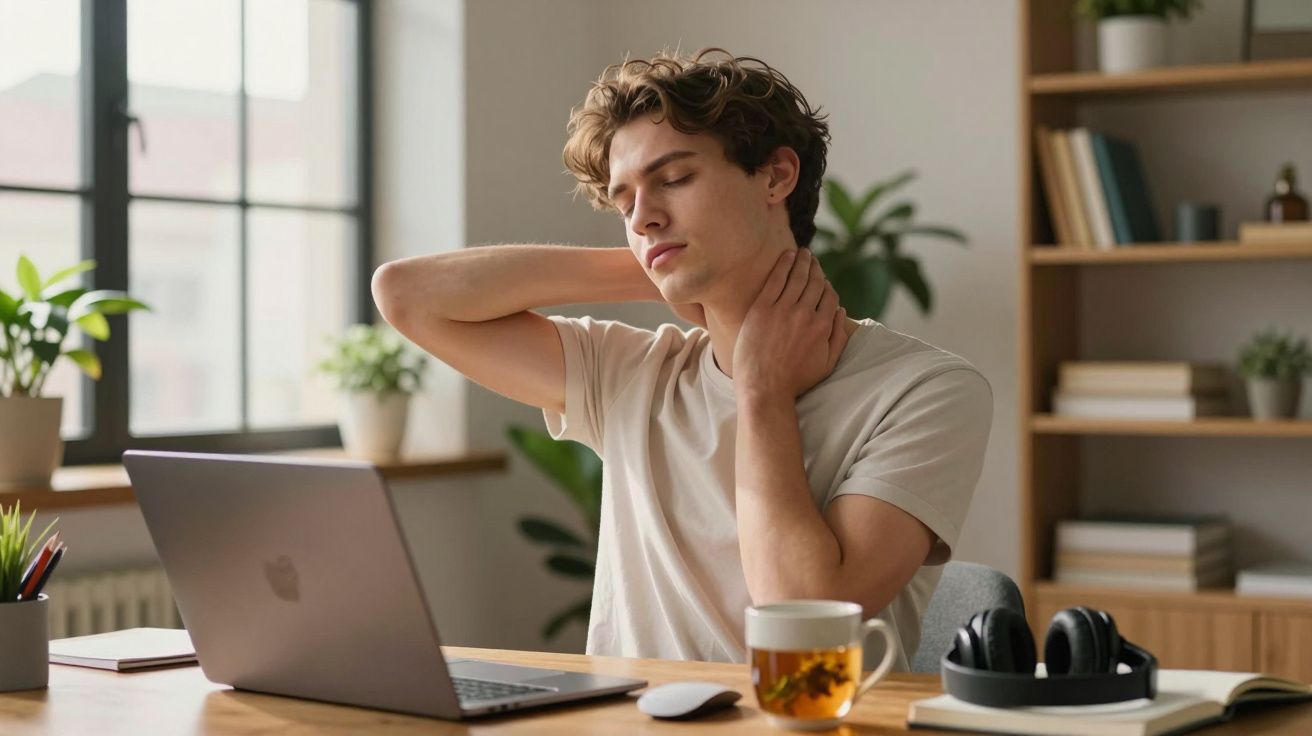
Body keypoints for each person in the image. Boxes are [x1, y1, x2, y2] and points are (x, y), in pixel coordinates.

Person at [372, 48, 992, 671]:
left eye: (673, 179)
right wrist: (660, 267)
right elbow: (404, 295)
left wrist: (762, 392)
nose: (643, 218)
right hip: (626, 717)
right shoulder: (631, 373)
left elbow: (802, 615)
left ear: (776, 176)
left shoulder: (926, 389)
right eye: (625, 204)